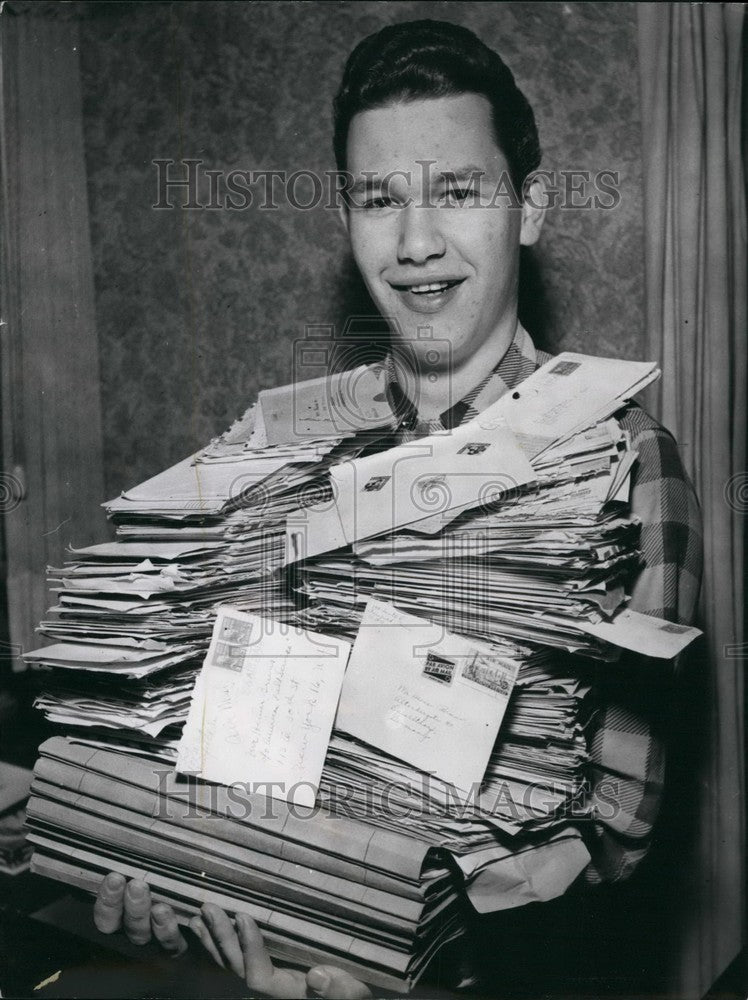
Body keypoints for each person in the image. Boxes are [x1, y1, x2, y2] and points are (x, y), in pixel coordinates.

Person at [92, 18, 702, 998]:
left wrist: (402, 954)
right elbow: (249, 764)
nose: (417, 242)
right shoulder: (290, 456)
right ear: (346, 220)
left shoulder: (625, 462)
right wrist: (190, 876)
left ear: (529, 208)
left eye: (457, 190)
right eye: (381, 198)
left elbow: (616, 836)